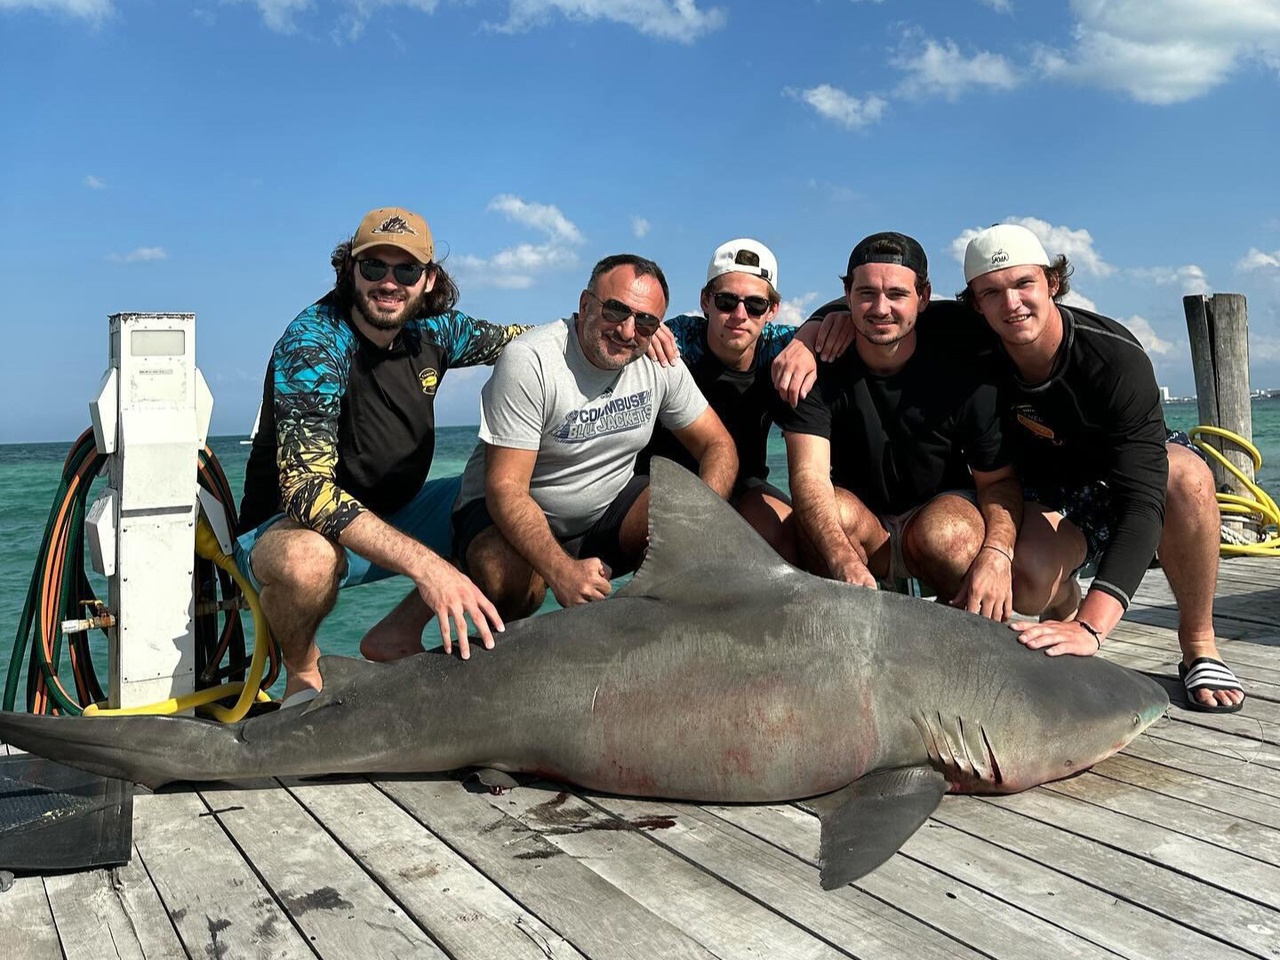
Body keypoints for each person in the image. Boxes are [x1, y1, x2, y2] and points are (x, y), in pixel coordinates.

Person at [236, 206, 525, 704]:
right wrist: (429, 568)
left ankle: (397, 636)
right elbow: (306, 490)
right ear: (350, 269)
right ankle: (304, 671)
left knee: (512, 504)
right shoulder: (314, 343)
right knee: (309, 561)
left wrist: (620, 329)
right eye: (374, 267)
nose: (389, 283)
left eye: (406, 269)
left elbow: (525, 343)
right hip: (288, 528)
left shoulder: (434, 332)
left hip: (397, 513)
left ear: (429, 279)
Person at [960, 223, 1245, 713]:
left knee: (1189, 477)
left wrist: (1093, 628)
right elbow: (885, 309)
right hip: (1052, 487)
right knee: (1025, 578)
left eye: (1024, 284)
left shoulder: (1112, 357)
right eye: (992, 292)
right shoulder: (973, 340)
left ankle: (1199, 642)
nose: (1011, 304)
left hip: (1128, 472)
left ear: (1052, 282)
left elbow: (1142, 502)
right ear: (976, 303)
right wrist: (820, 326)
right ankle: (1064, 602)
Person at [453, 253, 738, 619]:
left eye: (646, 322)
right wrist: (561, 570)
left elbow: (718, 445)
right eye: (616, 310)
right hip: (507, 514)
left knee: (683, 520)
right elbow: (505, 489)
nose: (627, 331)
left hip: (602, 513)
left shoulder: (658, 361)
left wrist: (699, 522)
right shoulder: (532, 360)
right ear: (585, 304)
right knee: (510, 584)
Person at [779, 232, 1022, 620]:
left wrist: (998, 554)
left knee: (951, 536)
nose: (881, 308)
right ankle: (853, 636)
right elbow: (808, 477)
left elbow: (997, 482)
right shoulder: (817, 366)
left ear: (923, 298)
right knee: (824, 516)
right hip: (865, 524)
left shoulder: (963, 364)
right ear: (847, 295)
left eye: (897, 294)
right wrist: (844, 562)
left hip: (936, 514)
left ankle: (960, 640)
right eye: (866, 294)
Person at [635, 239, 800, 562]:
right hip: (665, 482)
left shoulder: (782, 347)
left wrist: (815, 333)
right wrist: (643, 329)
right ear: (705, 301)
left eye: (755, 305)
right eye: (726, 301)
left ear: (772, 311)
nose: (740, 315)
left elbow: (856, 319)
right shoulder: (676, 339)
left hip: (743, 484)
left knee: (787, 531)